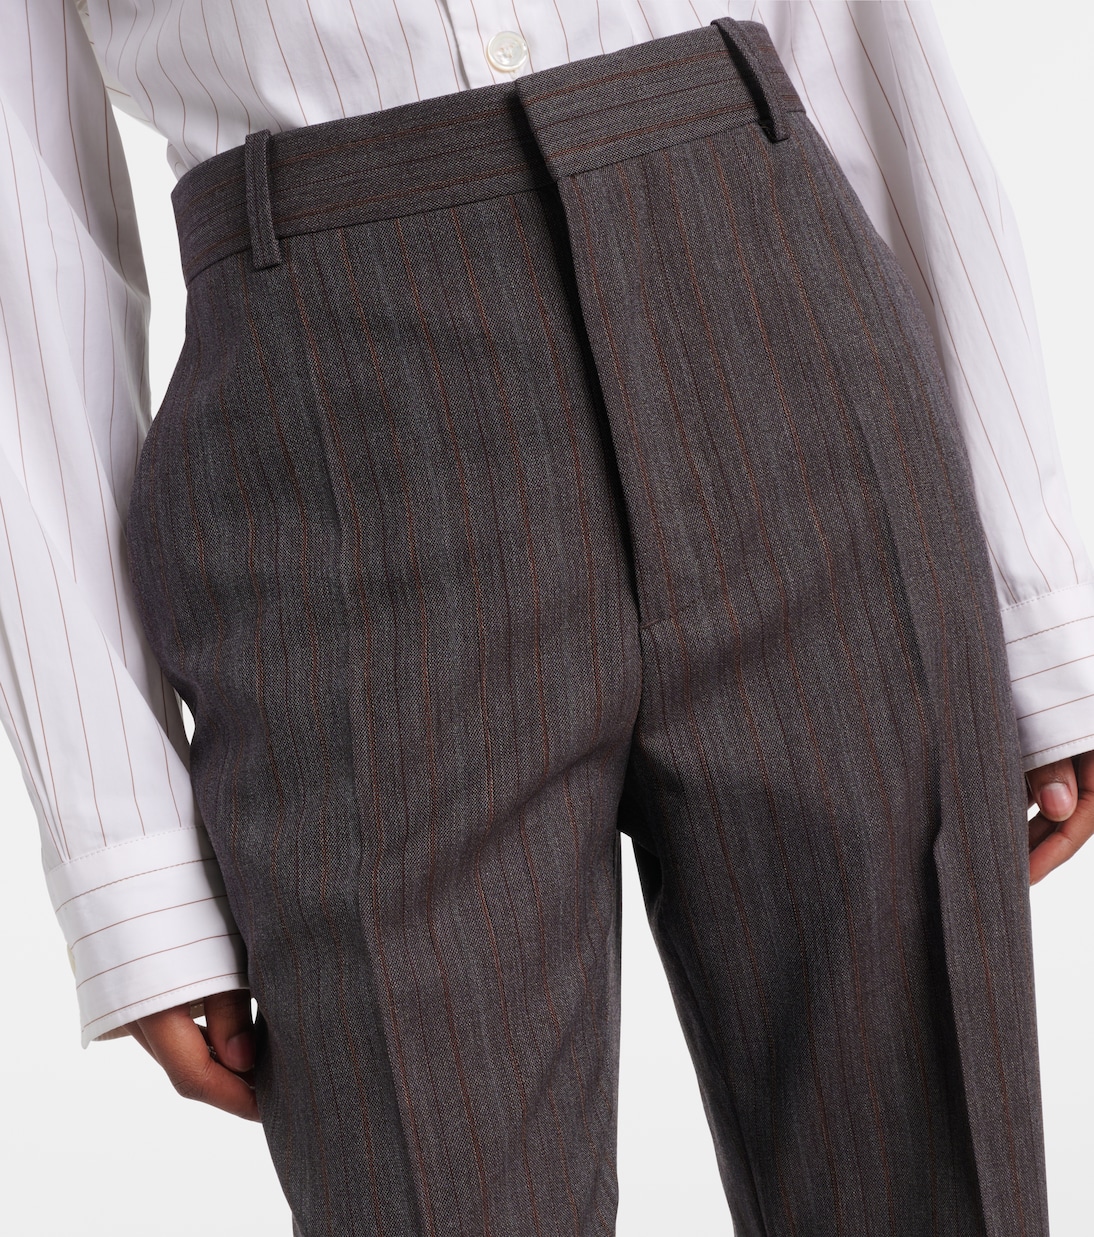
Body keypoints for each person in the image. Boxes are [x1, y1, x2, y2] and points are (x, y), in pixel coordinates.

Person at [2, 1, 1090, 1233]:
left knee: (923, 1187)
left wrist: (1034, 595)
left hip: (779, 326)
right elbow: (19, 245)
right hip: (342, 457)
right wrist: (128, 858)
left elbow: (846, 35)